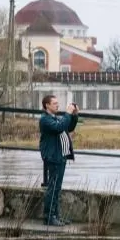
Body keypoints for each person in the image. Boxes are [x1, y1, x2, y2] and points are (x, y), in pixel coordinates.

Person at [39, 95, 78, 226]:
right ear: (47, 105)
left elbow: (69, 127)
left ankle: (55, 215)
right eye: (54, 103)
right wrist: (67, 113)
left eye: (57, 103)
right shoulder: (45, 120)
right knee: (53, 187)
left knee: (57, 188)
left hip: (61, 156)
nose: (57, 105)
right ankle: (49, 216)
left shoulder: (55, 118)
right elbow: (59, 128)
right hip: (53, 156)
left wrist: (74, 115)